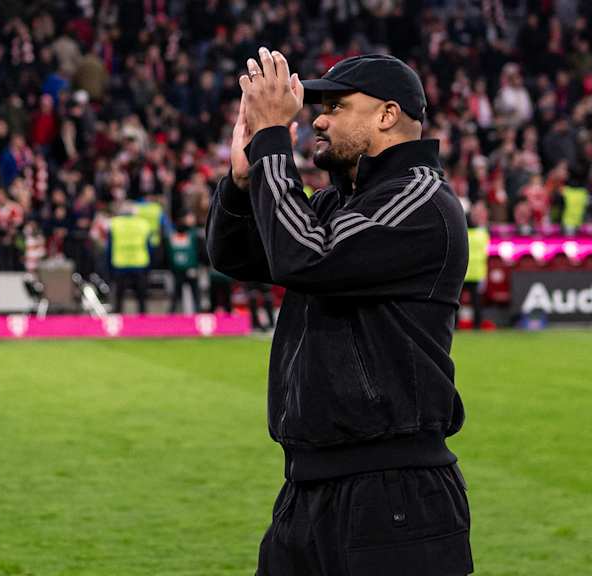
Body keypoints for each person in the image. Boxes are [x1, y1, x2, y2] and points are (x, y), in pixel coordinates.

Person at [207, 49, 472, 575]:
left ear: (387, 115)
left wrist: (271, 144)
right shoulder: (337, 204)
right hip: (307, 491)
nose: (318, 120)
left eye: (335, 105)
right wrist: (242, 183)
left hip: (393, 495)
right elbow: (237, 255)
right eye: (317, 106)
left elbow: (306, 257)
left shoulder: (419, 200)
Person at [108, 203, 152, 314]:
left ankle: (118, 321)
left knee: (119, 297)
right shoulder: (143, 224)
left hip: (120, 263)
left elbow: (109, 247)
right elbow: (149, 247)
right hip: (140, 263)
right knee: (141, 298)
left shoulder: (114, 224)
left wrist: (108, 265)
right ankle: (143, 321)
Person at [166, 212, 203, 314]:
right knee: (190, 294)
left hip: (183, 268)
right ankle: (173, 315)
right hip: (186, 268)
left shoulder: (174, 234)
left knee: (182, 295)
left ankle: (172, 315)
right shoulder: (192, 234)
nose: (192, 219)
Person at [462, 201, 490, 331]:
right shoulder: (483, 233)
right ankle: (477, 325)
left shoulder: (464, 230)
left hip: (466, 272)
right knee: (476, 303)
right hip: (475, 273)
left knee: (461, 302)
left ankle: (456, 325)